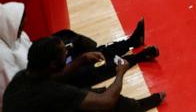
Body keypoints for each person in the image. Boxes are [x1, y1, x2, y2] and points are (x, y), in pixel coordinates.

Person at [2, 37, 164, 112]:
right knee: (109, 101)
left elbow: (53, 77)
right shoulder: (53, 92)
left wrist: (80, 61)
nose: (67, 52)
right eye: (64, 53)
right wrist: (121, 72)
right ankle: (143, 105)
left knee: (90, 87)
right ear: (52, 64)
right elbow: (106, 102)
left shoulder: (22, 77)